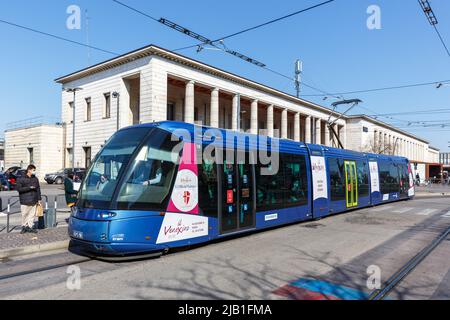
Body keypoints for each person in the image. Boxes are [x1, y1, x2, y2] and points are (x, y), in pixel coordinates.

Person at [16, 164, 41, 234]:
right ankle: (24, 226)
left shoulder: (35, 178)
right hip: (25, 200)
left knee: (32, 215)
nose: (34, 172)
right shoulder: (21, 178)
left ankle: (30, 227)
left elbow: (38, 189)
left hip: (34, 199)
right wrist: (29, 188)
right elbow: (19, 189)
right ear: (29, 170)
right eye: (33, 170)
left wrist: (39, 199)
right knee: (24, 214)